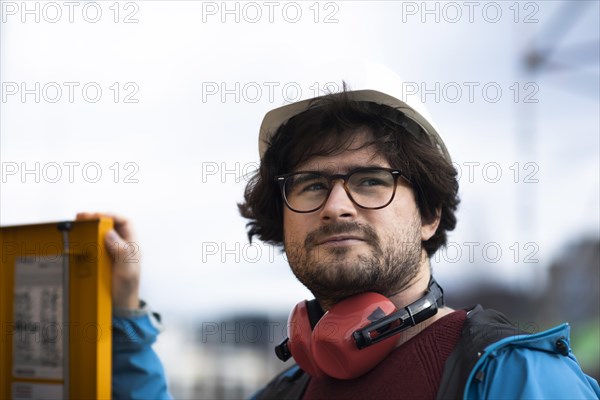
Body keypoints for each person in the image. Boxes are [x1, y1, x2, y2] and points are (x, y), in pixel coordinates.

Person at [84, 85, 600, 399]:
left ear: (428, 214)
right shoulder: (286, 392)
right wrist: (125, 310)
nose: (336, 206)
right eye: (311, 185)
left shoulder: (513, 376)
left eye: (371, 180)